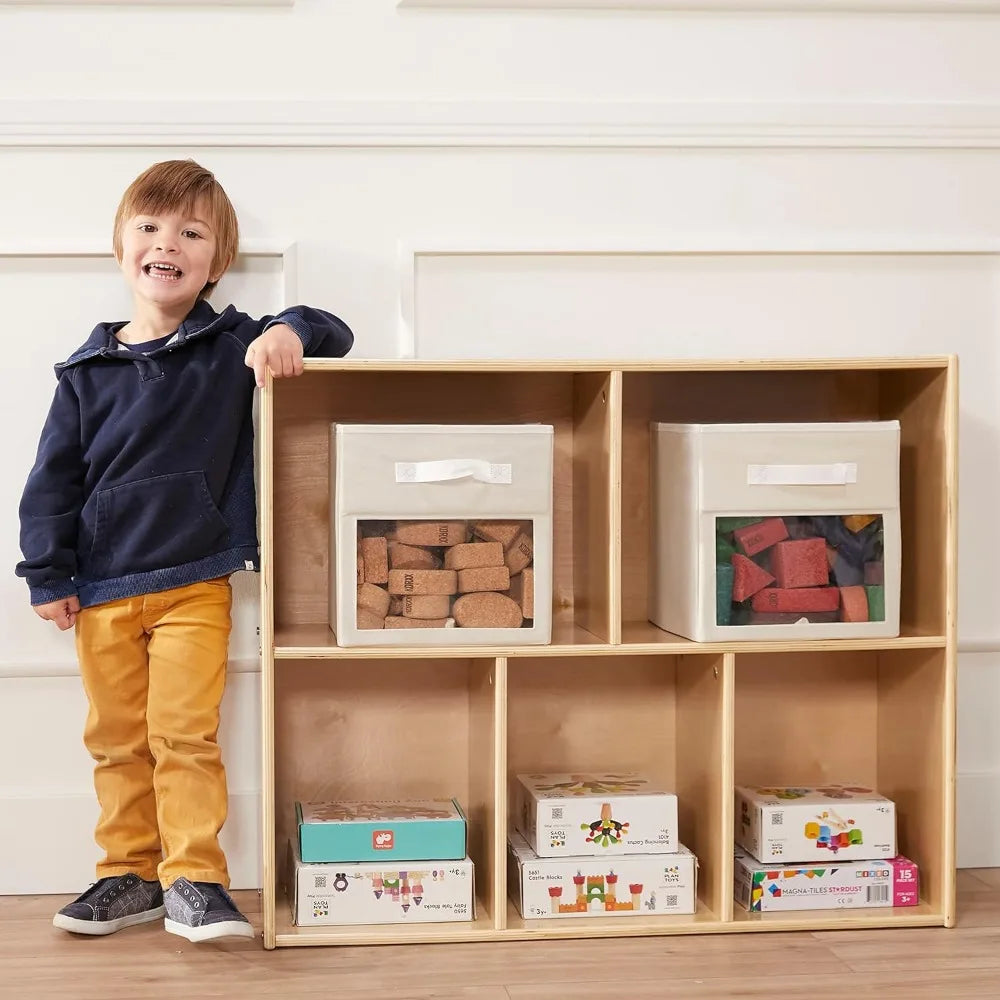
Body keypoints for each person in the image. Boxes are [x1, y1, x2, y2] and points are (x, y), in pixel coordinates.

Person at [15, 159, 354, 942]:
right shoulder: (85, 371)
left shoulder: (230, 345)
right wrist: (47, 571)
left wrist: (287, 331)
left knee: (183, 735)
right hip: (98, 588)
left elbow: (329, 327)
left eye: (191, 232)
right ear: (121, 245)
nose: (167, 242)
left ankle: (195, 879)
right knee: (116, 741)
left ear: (215, 262)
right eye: (150, 227)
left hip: (195, 583)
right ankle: (126, 875)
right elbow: (51, 481)